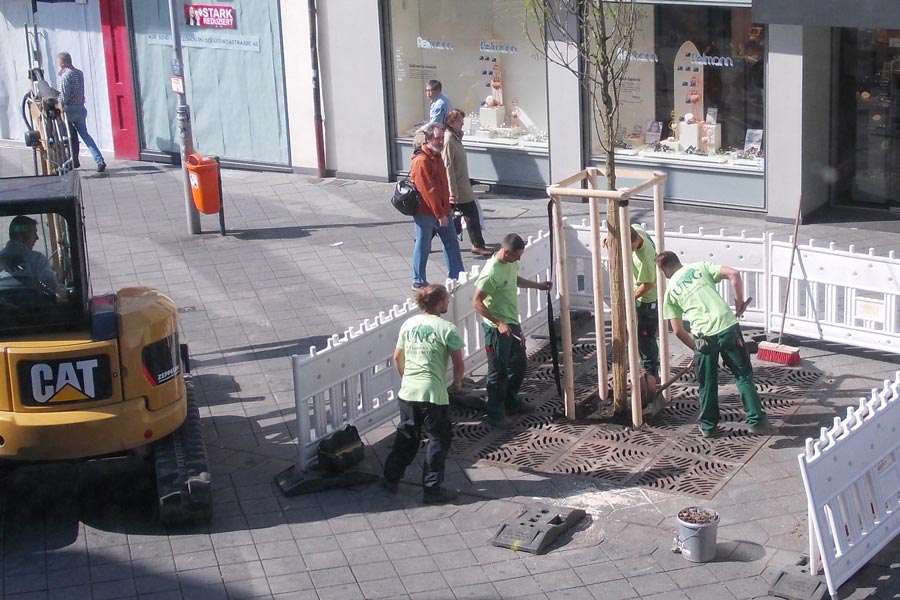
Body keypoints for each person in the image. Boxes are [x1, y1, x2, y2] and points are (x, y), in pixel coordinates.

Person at [656, 250, 769, 438]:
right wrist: (738, 302)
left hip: (703, 335)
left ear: (663, 269)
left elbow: (677, 330)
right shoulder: (700, 267)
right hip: (727, 327)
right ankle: (756, 421)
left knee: (707, 383)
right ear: (678, 261)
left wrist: (696, 348)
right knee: (743, 375)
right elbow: (734, 274)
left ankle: (708, 426)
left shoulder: (669, 294)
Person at [382, 284, 464, 503]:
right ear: (438, 303)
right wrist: (457, 384)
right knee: (438, 439)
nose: (448, 302)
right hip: (433, 394)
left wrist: (405, 378)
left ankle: (390, 478)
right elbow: (458, 364)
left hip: (408, 390)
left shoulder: (409, 324)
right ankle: (432, 488)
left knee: (407, 436)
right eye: (446, 299)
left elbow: (397, 357)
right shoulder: (446, 328)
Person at [473, 233, 553, 429]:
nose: (519, 259)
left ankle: (511, 401)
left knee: (518, 364)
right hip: (496, 329)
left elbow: (514, 279)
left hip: (511, 322)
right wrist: (498, 323)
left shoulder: (509, 264)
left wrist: (538, 286)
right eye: (516, 255)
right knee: (498, 372)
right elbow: (476, 302)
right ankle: (495, 412)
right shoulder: (491, 272)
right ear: (506, 251)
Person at [408, 122, 464, 290]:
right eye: (438, 138)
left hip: (442, 208)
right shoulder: (421, 161)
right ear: (428, 139)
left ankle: (457, 275)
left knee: (451, 241)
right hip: (426, 212)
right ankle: (418, 280)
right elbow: (428, 190)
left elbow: (441, 183)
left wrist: (449, 197)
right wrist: (440, 214)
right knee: (423, 245)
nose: (441, 142)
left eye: (442, 138)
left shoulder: (436, 156)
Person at [442, 109, 491, 257]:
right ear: (451, 122)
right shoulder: (449, 140)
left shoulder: (455, 137)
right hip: (457, 187)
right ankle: (477, 244)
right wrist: (452, 191)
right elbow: (448, 166)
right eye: (460, 120)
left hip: (461, 184)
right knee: (471, 213)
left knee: (449, 214)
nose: (463, 123)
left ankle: (424, 237)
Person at [57, 52, 106, 172]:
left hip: (69, 109)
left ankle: (73, 161)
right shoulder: (79, 73)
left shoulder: (66, 76)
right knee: (85, 135)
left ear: (62, 63)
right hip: (80, 108)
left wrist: (58, 103)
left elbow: (64, 96)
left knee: (70, 136)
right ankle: (99, 160)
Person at [0, 215, 63, 297]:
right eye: (34, 233)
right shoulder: (37, 259)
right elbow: (52, 286)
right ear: (20, 236)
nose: (37, 238)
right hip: (32, 308)